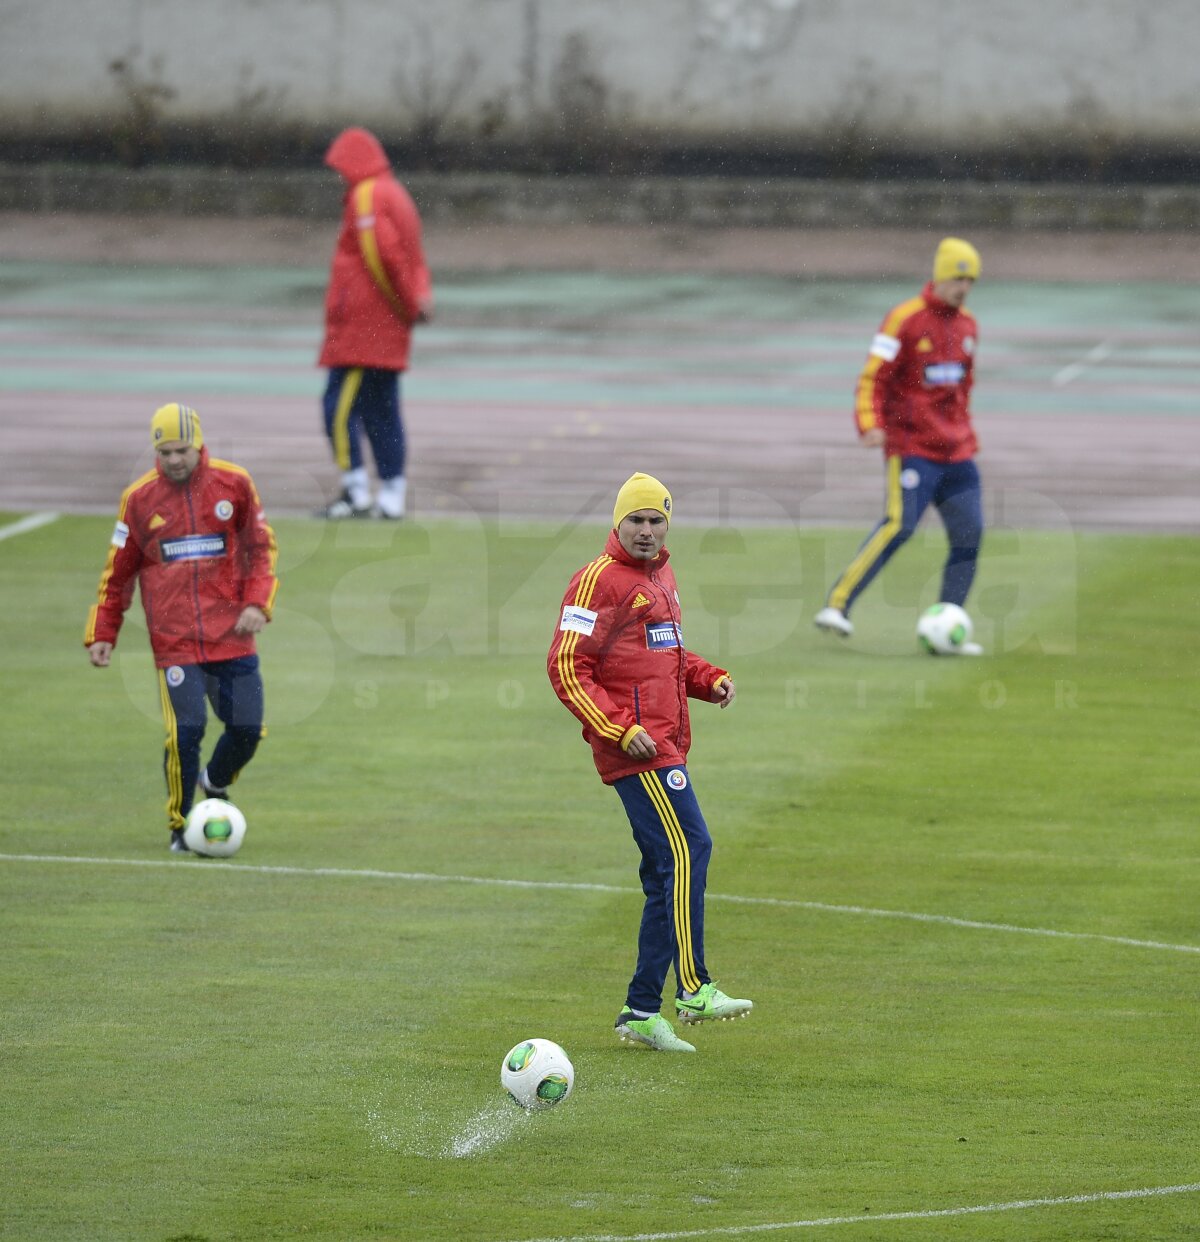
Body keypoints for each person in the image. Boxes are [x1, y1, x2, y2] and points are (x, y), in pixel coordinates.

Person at [547, 472, 753, 1053]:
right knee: (692, 847)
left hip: (664, 739)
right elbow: (566, 667)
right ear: (617, 523)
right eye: (635, 520)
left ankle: (640, 1010)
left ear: (667, 524)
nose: (645, 530)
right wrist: (620, 728)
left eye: (655, 520)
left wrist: (706, 679)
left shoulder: (661, 575)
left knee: (667, 872)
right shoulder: (597, 582)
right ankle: (694, 987)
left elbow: (664, 654)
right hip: (638, 750)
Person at [84, 404, 278, 852]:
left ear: (199, 445)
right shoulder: (139, 500)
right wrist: (102, 633)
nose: (173, 460)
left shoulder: (235, 484)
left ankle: (216, 782)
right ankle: (181, 826)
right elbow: (118, 574)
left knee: (248, 729)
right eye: (165, 451)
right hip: (175, 644)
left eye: (182, 450)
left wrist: (257, 605)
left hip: (233, 638)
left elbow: (260, 551)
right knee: (185, 731)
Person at [814, 236, 985, 654]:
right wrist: (870, 423)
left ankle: (950, 624)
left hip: (958, 452)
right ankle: (838, 604)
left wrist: (962, 430)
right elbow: (873, 376)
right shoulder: (903, 320)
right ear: (940, 275)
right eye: (957, 279)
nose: (963, 288)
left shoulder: (969, 327)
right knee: (900, 524)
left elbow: (965, 386)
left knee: (969, 534)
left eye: (970, 281)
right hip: (913, 449)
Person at [317, 126, 434, 520]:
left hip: (364, 330)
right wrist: (416, 302)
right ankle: (391, 495)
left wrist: (405, 305)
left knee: (338, 407)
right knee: (382, 410)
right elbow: (412, 255)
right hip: (382, 328)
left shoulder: (367, 195)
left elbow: (384, 255)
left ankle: (355, 492)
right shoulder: (394, 191)